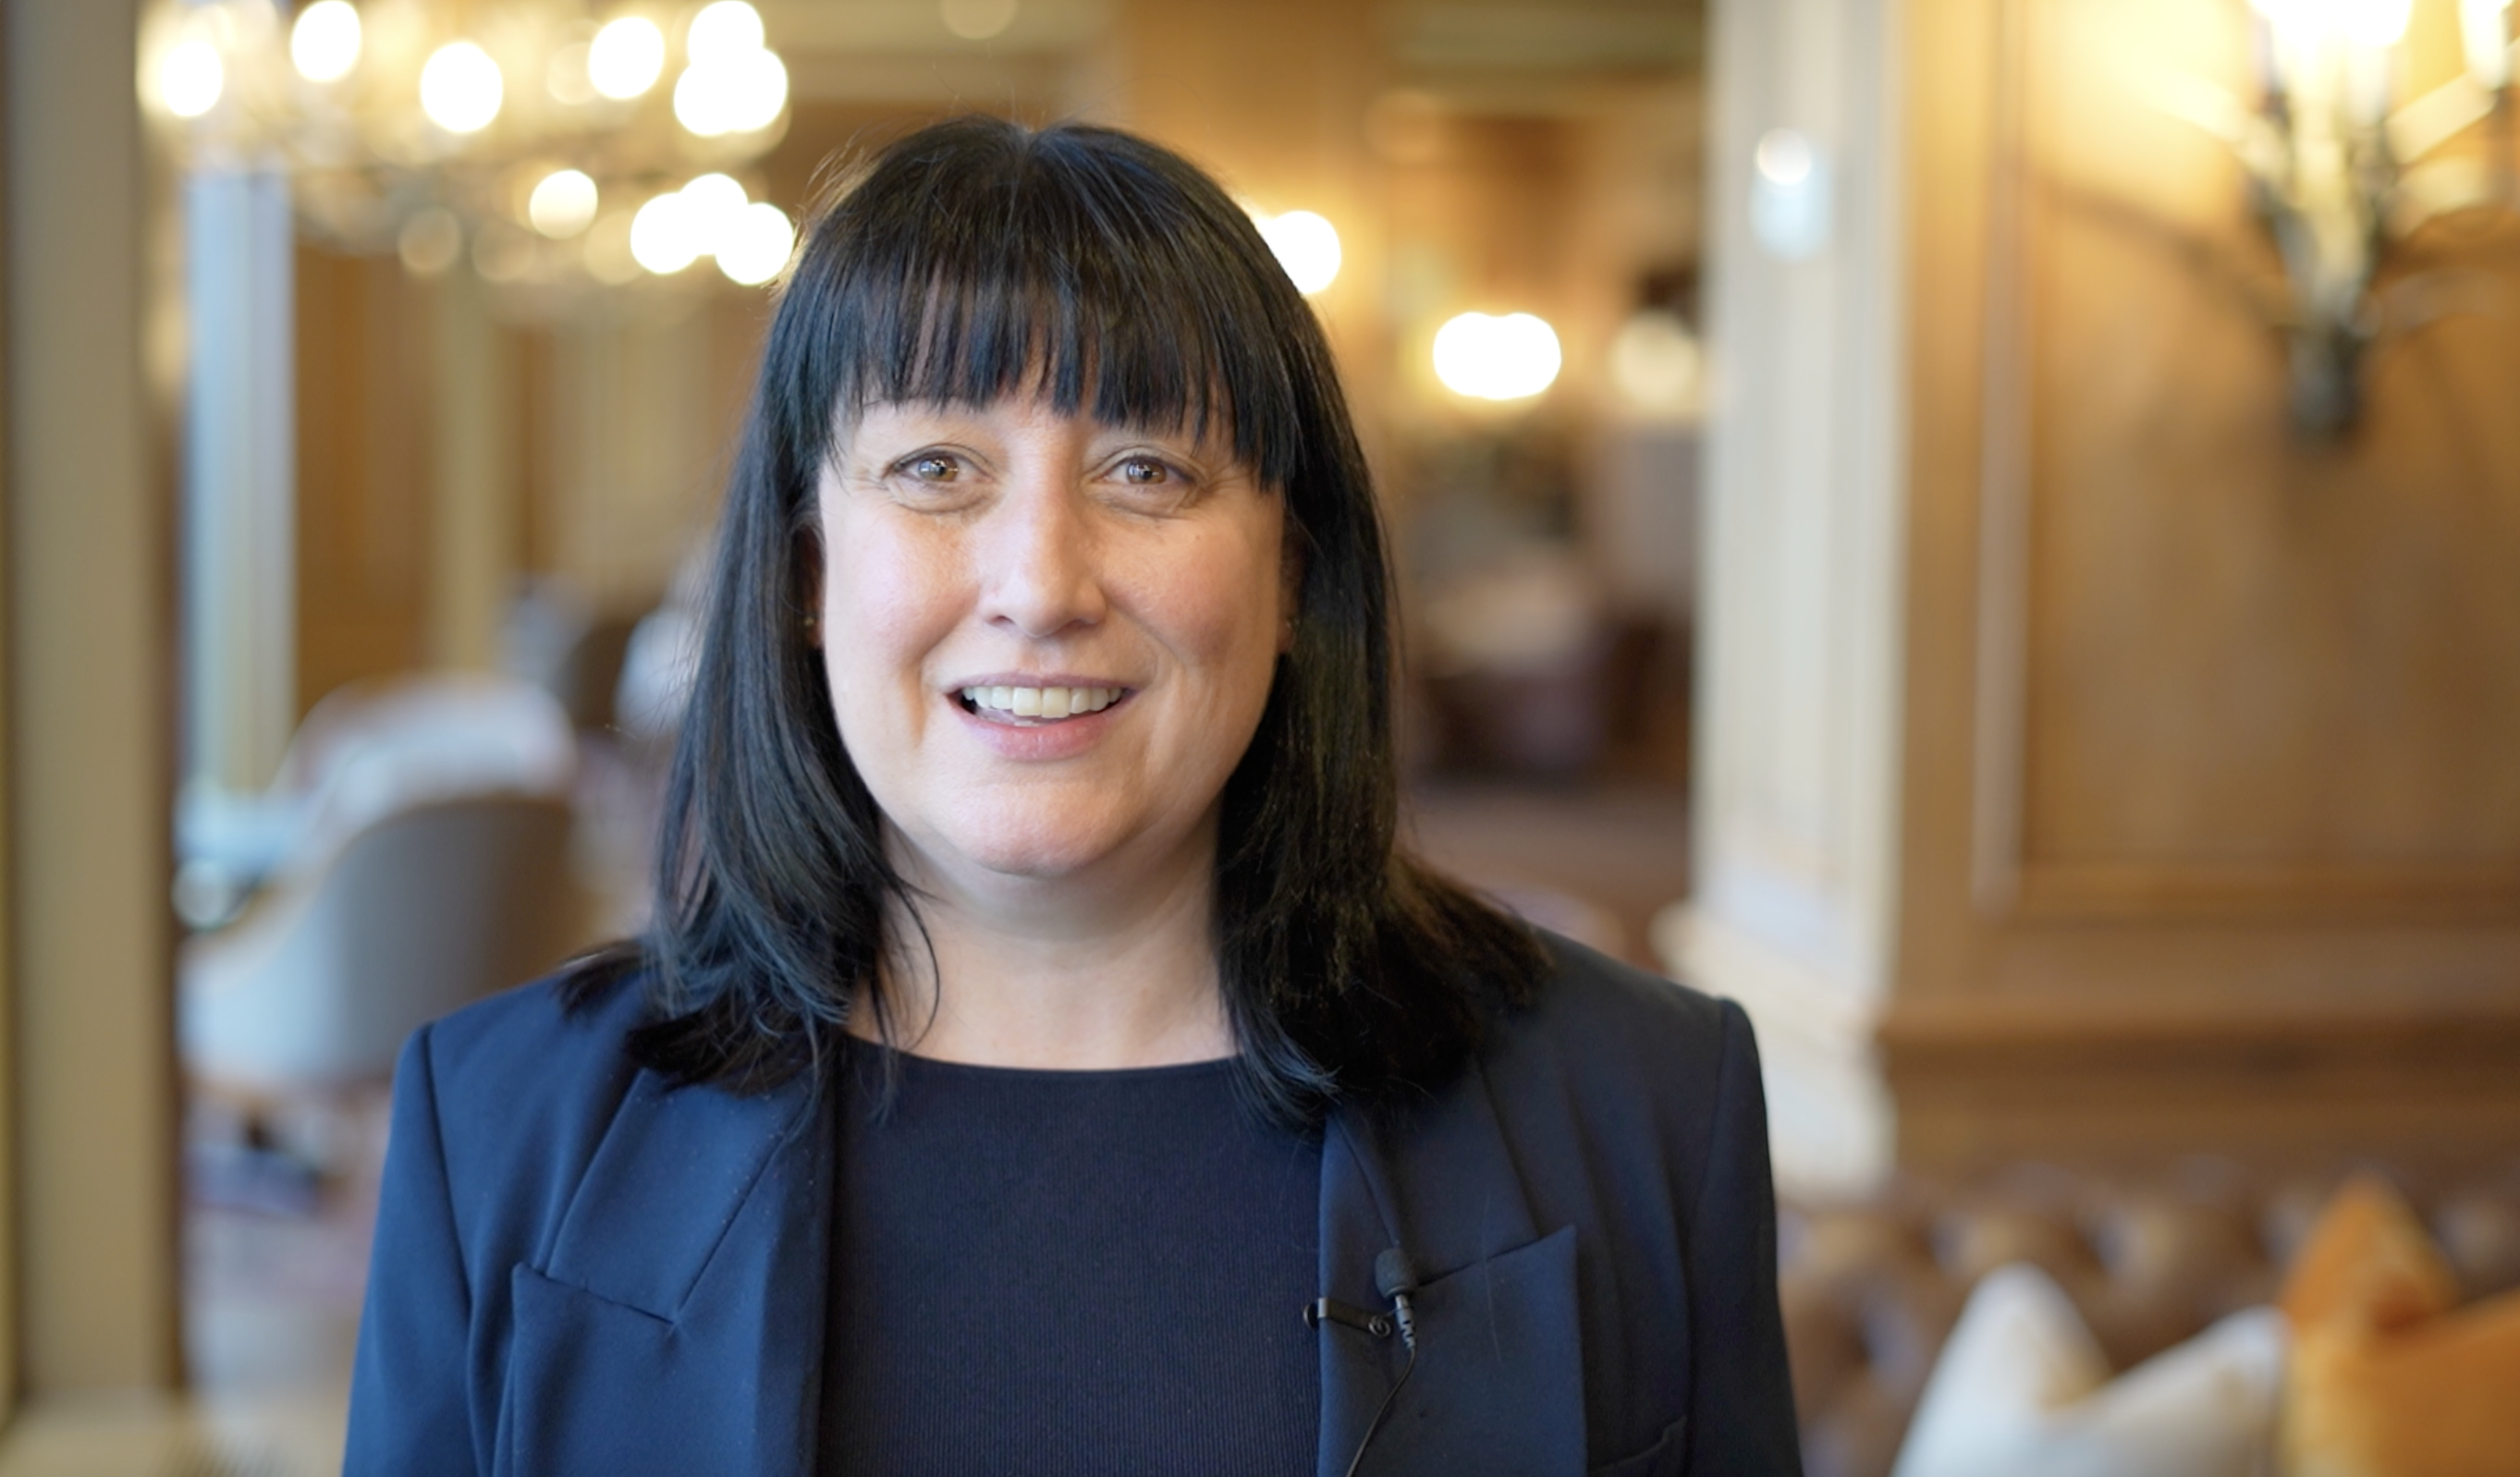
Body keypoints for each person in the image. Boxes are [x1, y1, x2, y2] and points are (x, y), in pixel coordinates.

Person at [343, 116, 1804, 1477]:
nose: (1042, 585)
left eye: (1147, 468)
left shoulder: (1643, 1107)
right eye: (936, 468)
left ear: (1294, 572)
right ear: (804, 573)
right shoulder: (501, 1129)